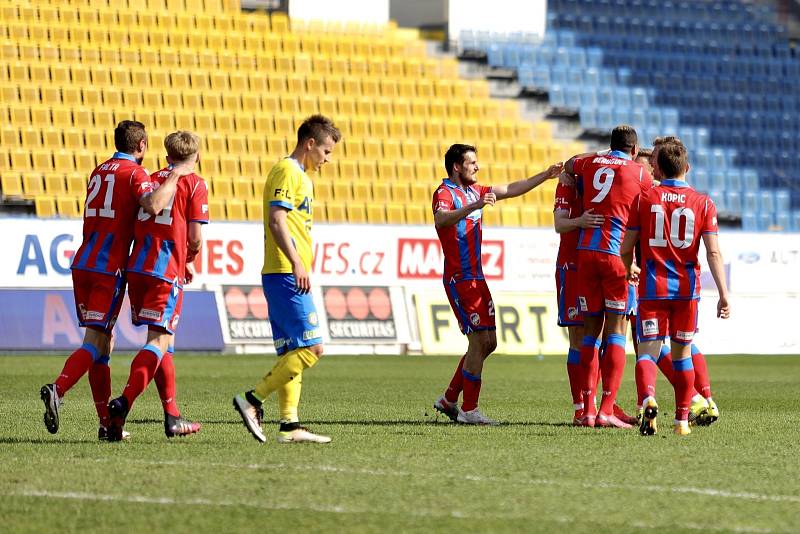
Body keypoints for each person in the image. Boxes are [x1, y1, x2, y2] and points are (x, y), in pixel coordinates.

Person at [40, 121, 188, 441]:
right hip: (110, 268)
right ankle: (58, 388)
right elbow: (153, 204)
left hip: (84, 263)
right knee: (95, 342)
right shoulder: (135, 174)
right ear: (142, 145)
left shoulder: (98, 171)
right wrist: (176, 173)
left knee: (103, 342)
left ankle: (106, 424)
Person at [431, 143, 563, 425]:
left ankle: (449, 398)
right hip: (459, 278)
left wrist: (546, 175)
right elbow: (441, 219)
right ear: (457, 166)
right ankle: (468, 409)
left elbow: (513, 187)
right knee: (478, 340)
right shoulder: (445, 193)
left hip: (477, 277)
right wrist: (474, 206)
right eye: (472, 163)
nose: (477, 167)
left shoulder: (475, 190)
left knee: (489, 342)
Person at [233, 115, 340, 444]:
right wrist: (296, 262)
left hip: (285, 271)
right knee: (312, 348)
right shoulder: (287, 171)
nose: (327, 159)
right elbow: (277, 220)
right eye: (325, 151)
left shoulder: (303, 177)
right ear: (309, 144)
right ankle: (251, 400)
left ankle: (289, 425)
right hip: (283, 271)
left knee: (291, 350)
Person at [621, 141, 730, 436]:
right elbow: (713, 253)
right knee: (682, 356)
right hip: (686, 291)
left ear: (658, 167)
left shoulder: (644, 199)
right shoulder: (703, 202)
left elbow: (627, 245)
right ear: (687, 168)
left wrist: (629, 264)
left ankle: (648, 399)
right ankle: (682, 420)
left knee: (647, 352)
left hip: (652, 289)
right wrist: (723, 294)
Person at [106, 131, 207, 441]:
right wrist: (189, 256)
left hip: (140, 267)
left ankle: (172, 415)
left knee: (165, 343)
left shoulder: (150, 178)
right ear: (197, 157)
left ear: (167, 156)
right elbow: (194, 237)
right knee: (157, 343)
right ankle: (123, 402)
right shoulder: (195, 183)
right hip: (166, 270)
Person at [565, 125, 652, 428]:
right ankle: (606, 409)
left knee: (590, 333)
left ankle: (586, 411)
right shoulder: (639, 173)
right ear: (635, 149)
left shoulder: (589, 163)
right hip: (617, 256)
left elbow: (569, 164)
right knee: (617, 331)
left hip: (586, 254)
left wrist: (604, 155)